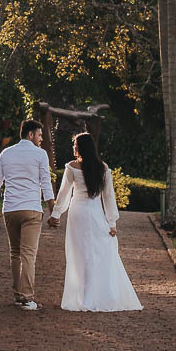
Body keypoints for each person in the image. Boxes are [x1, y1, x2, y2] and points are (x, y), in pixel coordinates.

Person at [48, 130, 142, 312]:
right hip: (96, 213)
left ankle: (84, 296)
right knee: (97, 253)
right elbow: (109, 197)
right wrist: (111, 222)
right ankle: (98, 294)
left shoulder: (71, 167)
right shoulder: (103, 168)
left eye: (75, 144)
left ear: (81, 147)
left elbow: (64, 193)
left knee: (80, 254)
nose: (73, 147)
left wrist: (56, 214)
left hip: (78, 212)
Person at [0, 119, 55, 311]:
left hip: (10, 209)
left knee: (15, 253)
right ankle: (26, 297)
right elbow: (46, 184)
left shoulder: (6, 153)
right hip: (31, 209)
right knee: (28, 254)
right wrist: (53, 210)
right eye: (40, 135)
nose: (41, 139)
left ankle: (18, 295)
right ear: (30, 135)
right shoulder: (40, 154)